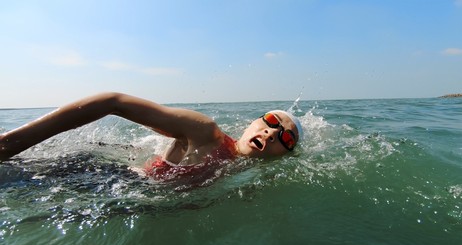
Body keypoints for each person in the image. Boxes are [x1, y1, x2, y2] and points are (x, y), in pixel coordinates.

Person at [0, 92, 303, 182]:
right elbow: (113, 102)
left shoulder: (247, 178)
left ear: (285, 154)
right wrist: (11, 143)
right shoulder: (206, 132)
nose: (272, 133)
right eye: (272, 121)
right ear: (253, 122)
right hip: (98, 179)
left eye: (285, 138)